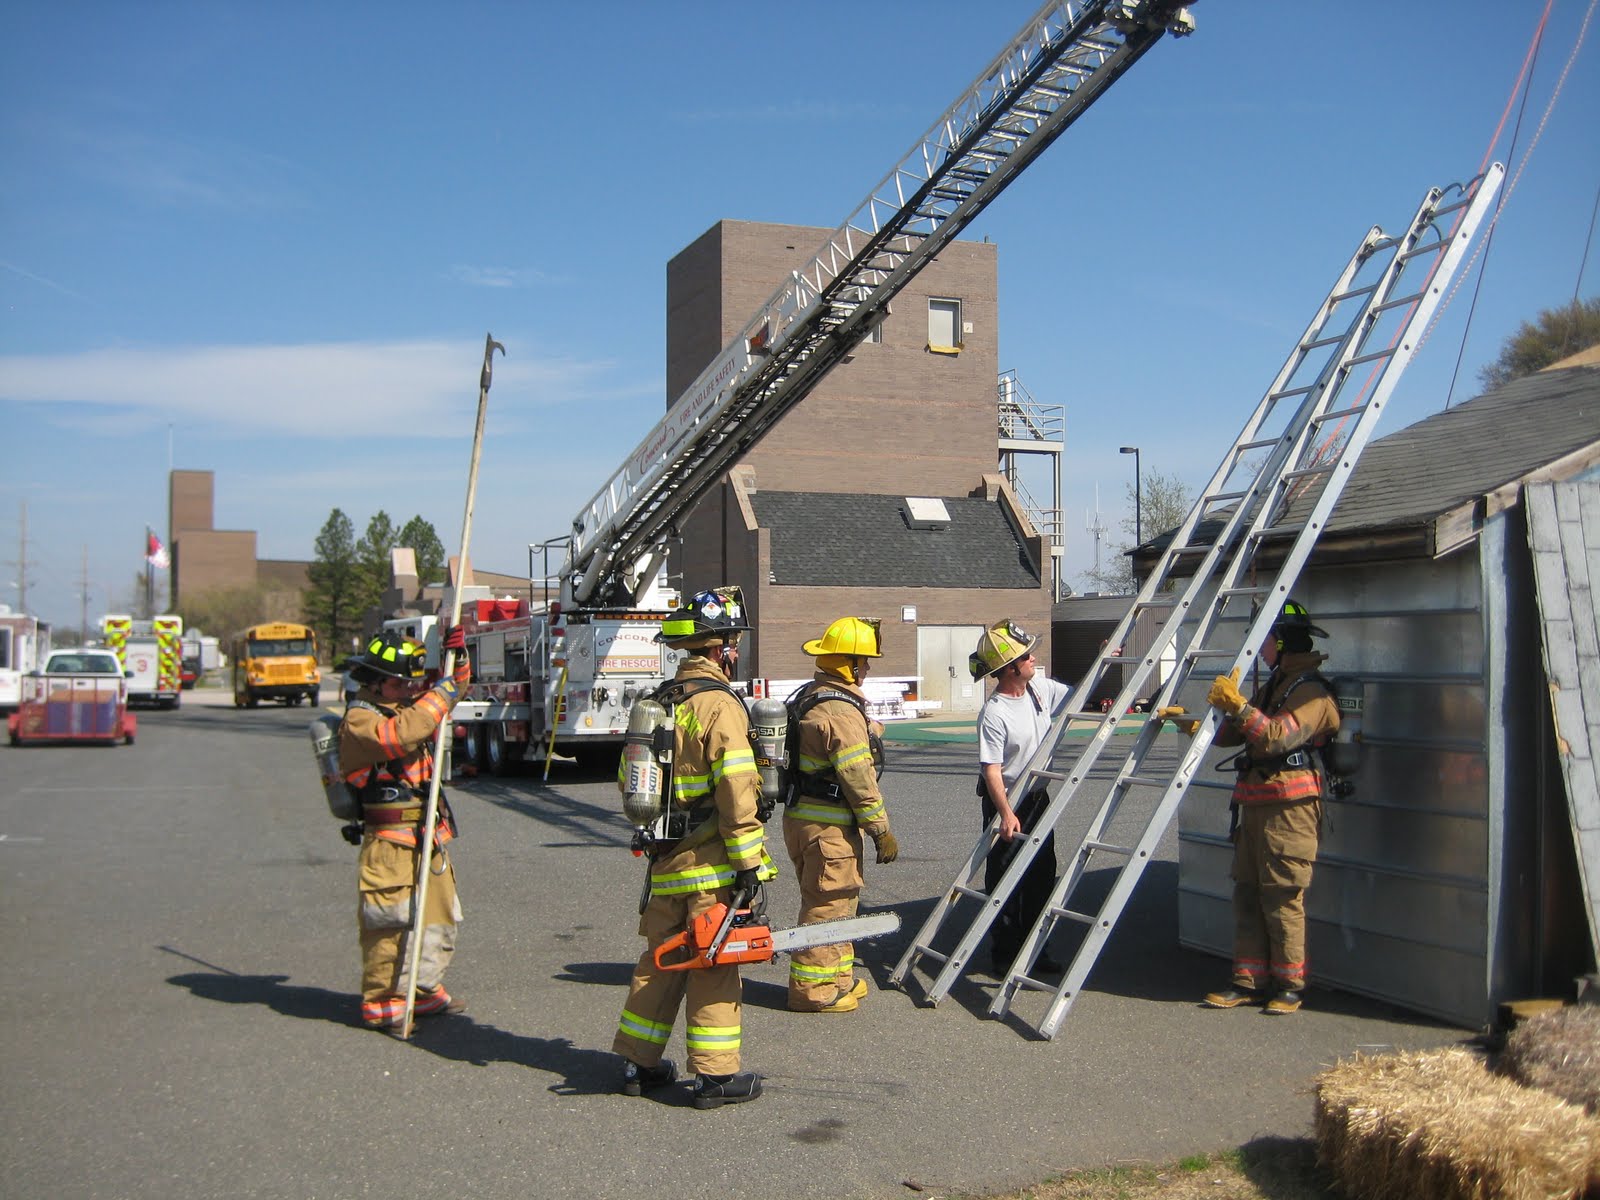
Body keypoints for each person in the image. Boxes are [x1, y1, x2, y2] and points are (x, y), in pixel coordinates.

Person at [612, 586, 774, 1109]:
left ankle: (638, 1064)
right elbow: (736, 789)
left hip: (665, 862)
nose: (735, 650)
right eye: (732, 642)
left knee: (659, 961)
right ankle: (715, 1078)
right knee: (713, 962)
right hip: (710, 865)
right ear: (721, 647)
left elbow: (628, 781)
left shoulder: (657, 704)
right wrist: (750, 865)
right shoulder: (718, 706)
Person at [1198, 599, 1340, 1015]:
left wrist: (1239, 707)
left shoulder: (1311, 692)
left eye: (1267, 640)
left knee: (1281, 897)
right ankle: (1248, 980)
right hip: (1256, 806)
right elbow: (1240, 733)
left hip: (1290, 811)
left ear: (1284, 641)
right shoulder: (1277, 683)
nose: (1261, 649)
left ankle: (1289, 985)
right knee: (1247, 893)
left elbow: (1276, 736)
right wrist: (1200, 725)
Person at [339, 625, 473, 1031]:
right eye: (400, 682)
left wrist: (459, 658)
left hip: (426, 836)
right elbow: (402, 735)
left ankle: (423, 986)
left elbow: (450, 692)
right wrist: (440, 693)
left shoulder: (403, 705)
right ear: (376, 682)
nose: (408, 688)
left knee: (438, 917)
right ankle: (383, 1000)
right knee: (391, 922)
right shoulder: (361, 718)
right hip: (391, 842)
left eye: (411, 681)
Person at [782, 616, 899, 1014]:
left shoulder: (813, 696)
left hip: (805, 821)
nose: (867, 668)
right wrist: (880, 829)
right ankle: (812, 993)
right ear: (846, 663)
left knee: (840, 901)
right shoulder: (839, 710)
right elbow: (857, 776)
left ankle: (839, 980)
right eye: (863, 661)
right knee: (826, 907)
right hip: (828, 826)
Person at [970, 619, 1072, 976]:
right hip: (1008, 800)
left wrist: (1107, 657)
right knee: (1005, 880)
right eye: (1026, 655)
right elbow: (992, 770)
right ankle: (1004, 954)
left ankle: (1035, 952)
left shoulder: (1039, 689)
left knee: (1043, 875)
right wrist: (1006, 814)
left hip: (1038, 798)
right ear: (1009, 668)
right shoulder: (994, 713)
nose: (1033, 659)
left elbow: (1079, 694)